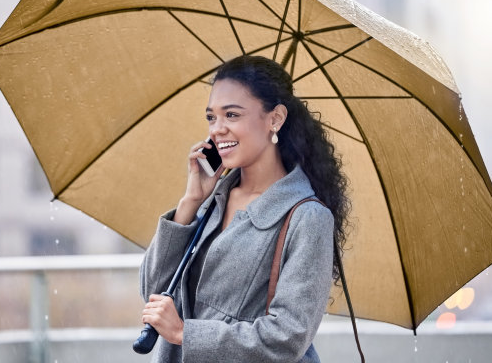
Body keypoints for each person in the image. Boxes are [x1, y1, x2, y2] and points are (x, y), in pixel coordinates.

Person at [140, 55, 349, 362]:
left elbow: (289, 336)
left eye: (232, 115)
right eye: (212, 117)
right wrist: (190, 202)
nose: (217, 130)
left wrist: (186, 333)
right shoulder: (212, 201)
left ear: (275, 119)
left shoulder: (308, 217)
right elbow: (152, 293)